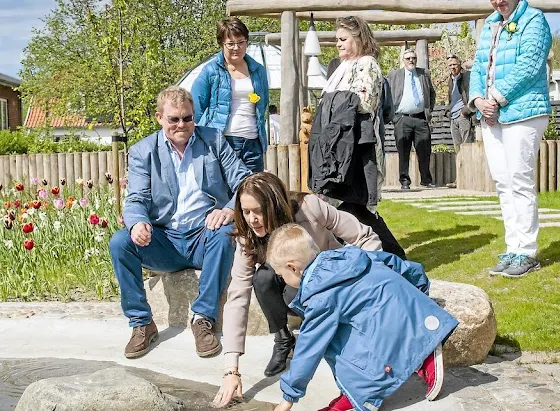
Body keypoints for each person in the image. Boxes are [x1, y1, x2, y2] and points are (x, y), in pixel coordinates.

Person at [212, 172, 383, 408]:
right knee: (262, 278)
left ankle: (326, 341)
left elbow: (365, 236)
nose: (252, 219)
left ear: (274, 205)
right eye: (246, 212)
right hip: (289, 286)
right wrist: (231, 370)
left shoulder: (310, 207)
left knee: (297, 293)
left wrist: (370, 279)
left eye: (258, 211)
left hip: (326, 286)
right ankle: (283, 339)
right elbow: (237, 295)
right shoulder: (248, 236)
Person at [109, 86, 251, 360]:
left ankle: (203, 319)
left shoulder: (214, 141)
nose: (182, 125)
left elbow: (244, 182)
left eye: (187, 118)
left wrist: (229, 209)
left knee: (225, 233)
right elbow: (136, 198)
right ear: (159, 117)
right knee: (120, 242)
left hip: (204, 235)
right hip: (164, 240)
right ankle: (141, 323)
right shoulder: (143, 152)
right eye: (174, 119)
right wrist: (137, 222)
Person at [267, 224, 458, 411]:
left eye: (281, 275)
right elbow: (395, 263)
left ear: (292, 268)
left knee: (332, 340)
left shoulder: (320, 296)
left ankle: (363, 391)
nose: (283, 281)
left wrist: (288, 397)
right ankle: (418, 351)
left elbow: (309, 348)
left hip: (391, 330)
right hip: (416, 318)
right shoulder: (348, 255)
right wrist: (421, 289)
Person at [310, 15, 407, 260]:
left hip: (358, 150)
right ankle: (376, 259)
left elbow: (362, 103)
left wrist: (330, 106)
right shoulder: (339, 68)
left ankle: (397, 259)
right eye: (337, 40)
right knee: (347, 207)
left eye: (343, 39)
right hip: (338, 149)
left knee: (357, 207)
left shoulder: (367, 64)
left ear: (359, 38)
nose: (338, 44)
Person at [468, 0, 552, 277]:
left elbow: (529, 65)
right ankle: (512, 247)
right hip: (491, 114)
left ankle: (527, 251)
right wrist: (478, 99)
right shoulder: (491, 23)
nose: (498, 0)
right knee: (503, 183)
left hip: (524, 111)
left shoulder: (534, 19)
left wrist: (494, 97)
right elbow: (479, 68)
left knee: (519, 180)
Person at [191, 17, 269, 173]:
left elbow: (264, 103)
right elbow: (195, 106)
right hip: (222, 141)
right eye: (231, 44)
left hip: (253, 142)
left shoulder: (258, 70)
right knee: (224, 192)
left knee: (255, 192)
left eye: (241, 42)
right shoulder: (211, 71)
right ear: (221, 44)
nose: (236, 48)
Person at [387, 48, 436, 190]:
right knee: (403, 152)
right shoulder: (395, 75)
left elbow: (432, 93)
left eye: (413, 58)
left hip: (421, 119)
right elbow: (387, 95)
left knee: (425, 151)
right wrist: (394, 117)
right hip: (402, 119)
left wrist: (428, 111)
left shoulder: (424, 74)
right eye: (408, 58)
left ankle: (426, 180)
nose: (411, 60)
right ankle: (404, 181)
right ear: (403, 60)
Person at [446, 54, 474, 153]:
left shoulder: (467, 76)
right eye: (450, 65)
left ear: (459, 64)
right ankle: (461, 168)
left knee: (467, 147)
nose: (452, 67)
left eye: (454, 64)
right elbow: (451, 99)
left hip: (463, 116)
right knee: (457, 149)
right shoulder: (450, 80)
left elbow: (473, 95)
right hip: (453, 118)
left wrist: (465, 111)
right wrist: (448, 112)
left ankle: (468, 168)